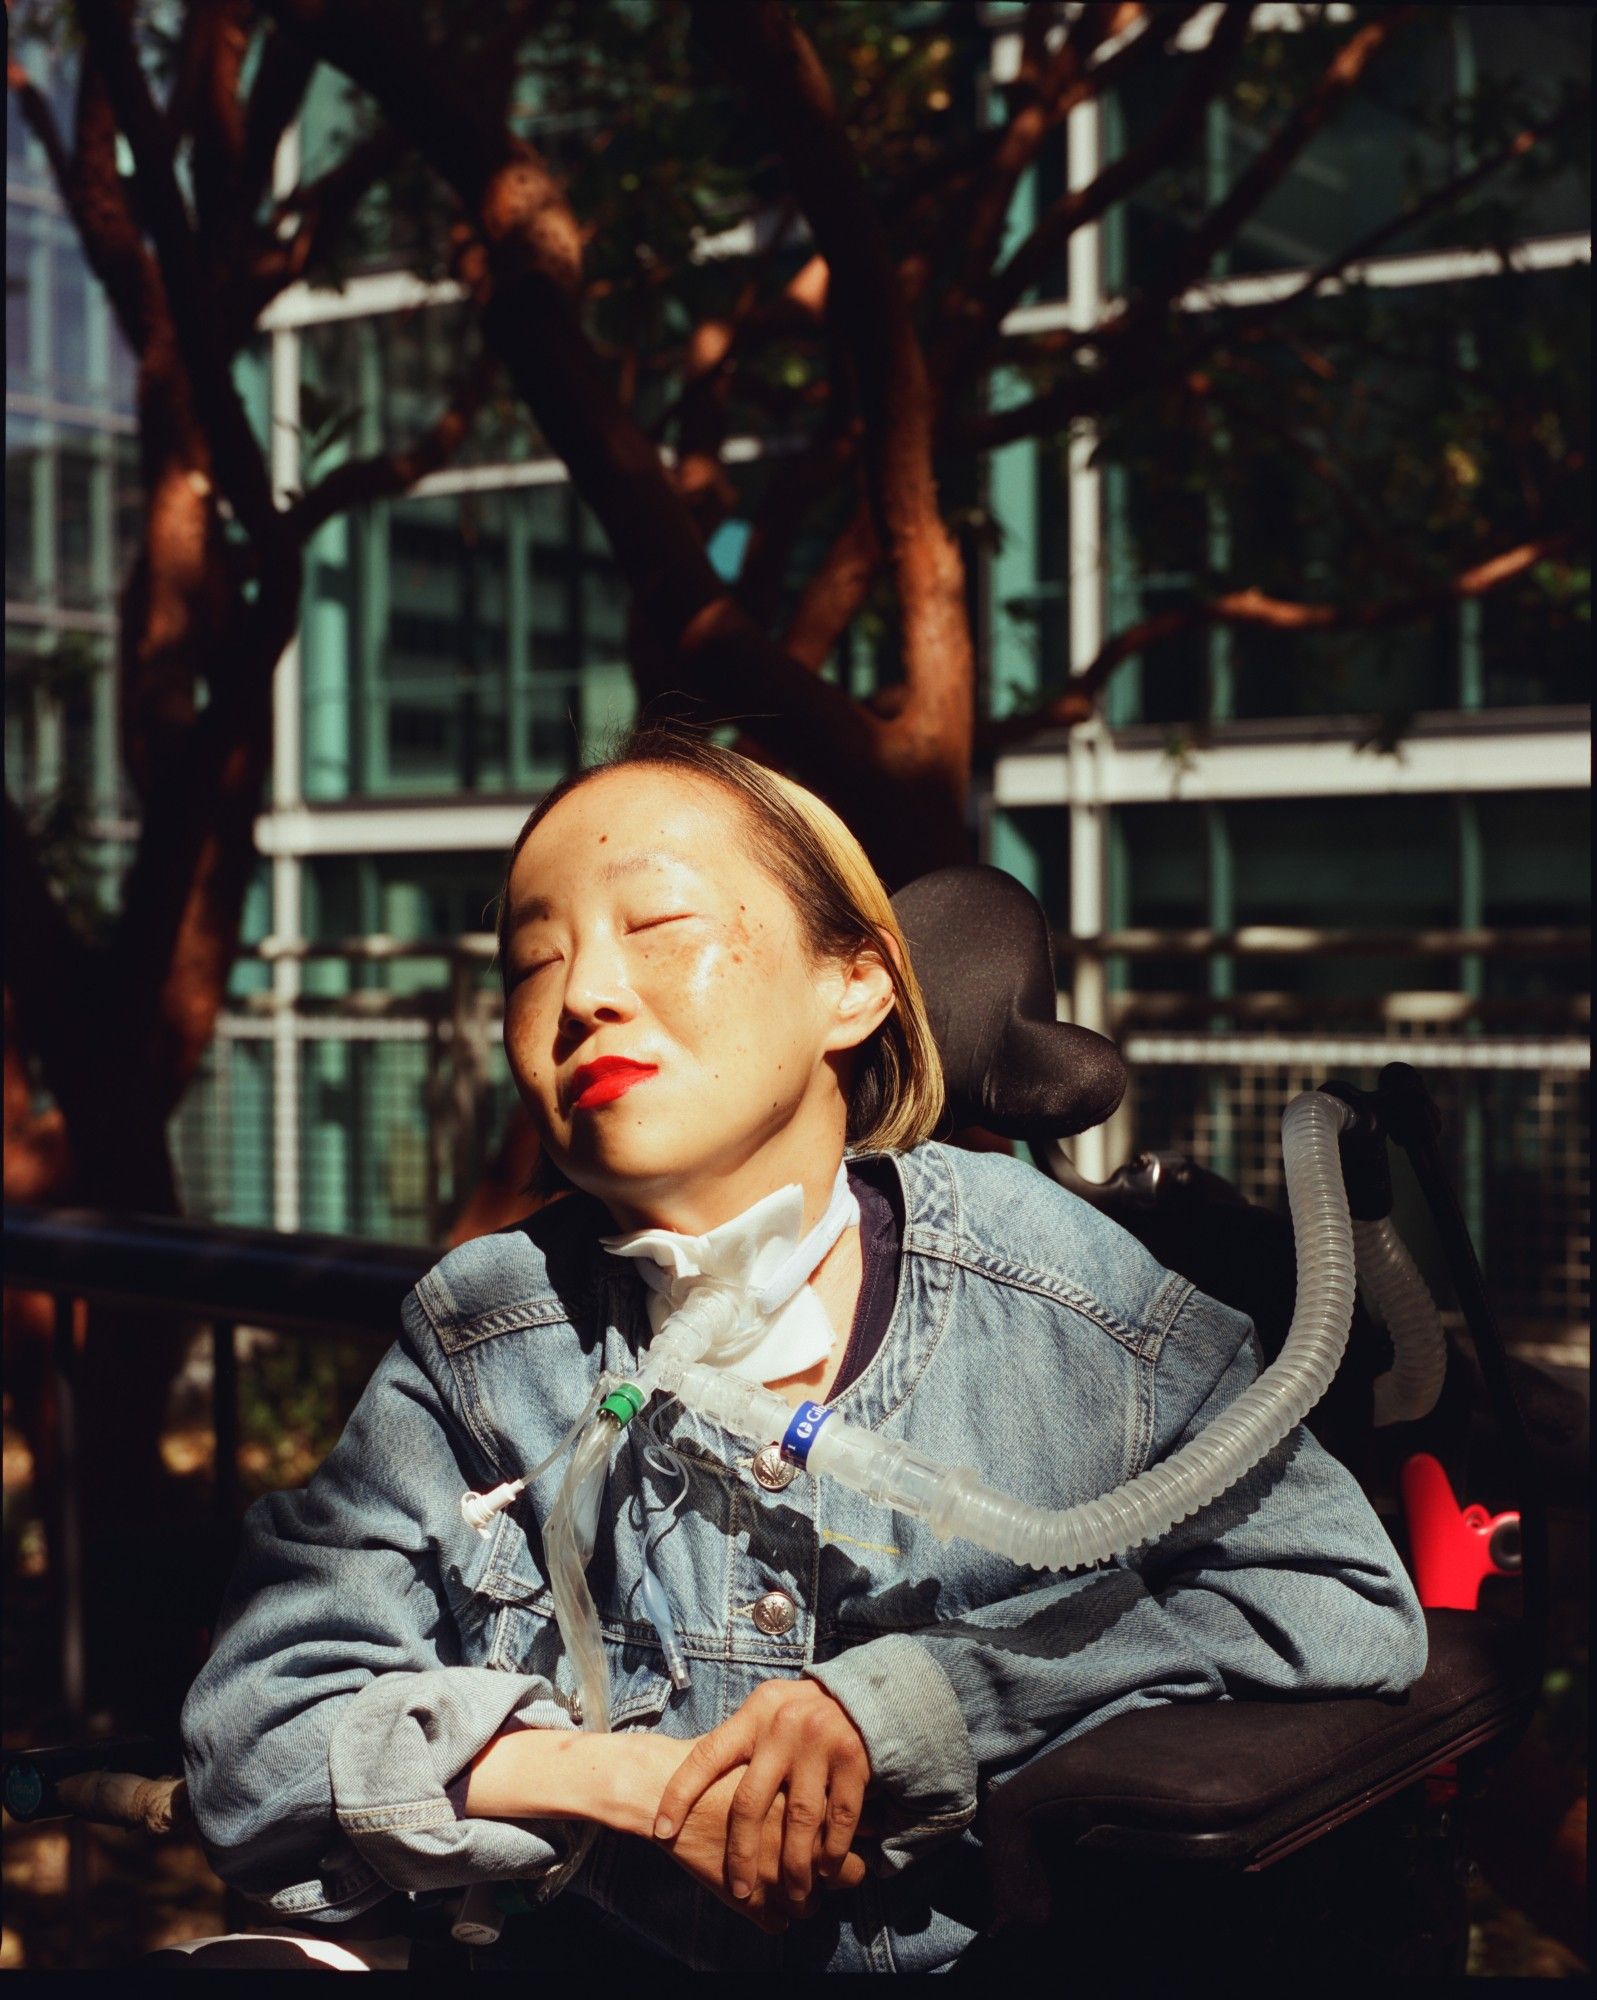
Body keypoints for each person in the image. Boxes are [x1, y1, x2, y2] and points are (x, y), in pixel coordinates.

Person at [179, 732, 1428, 1974]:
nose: (583, 997)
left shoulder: (1051, 1292)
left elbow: (1337, 1598)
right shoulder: (490, 1330)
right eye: (530, 963)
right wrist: (621, 1778)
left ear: (857, 983)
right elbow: (254, 1733)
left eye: (657, 924)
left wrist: (922, 1701)